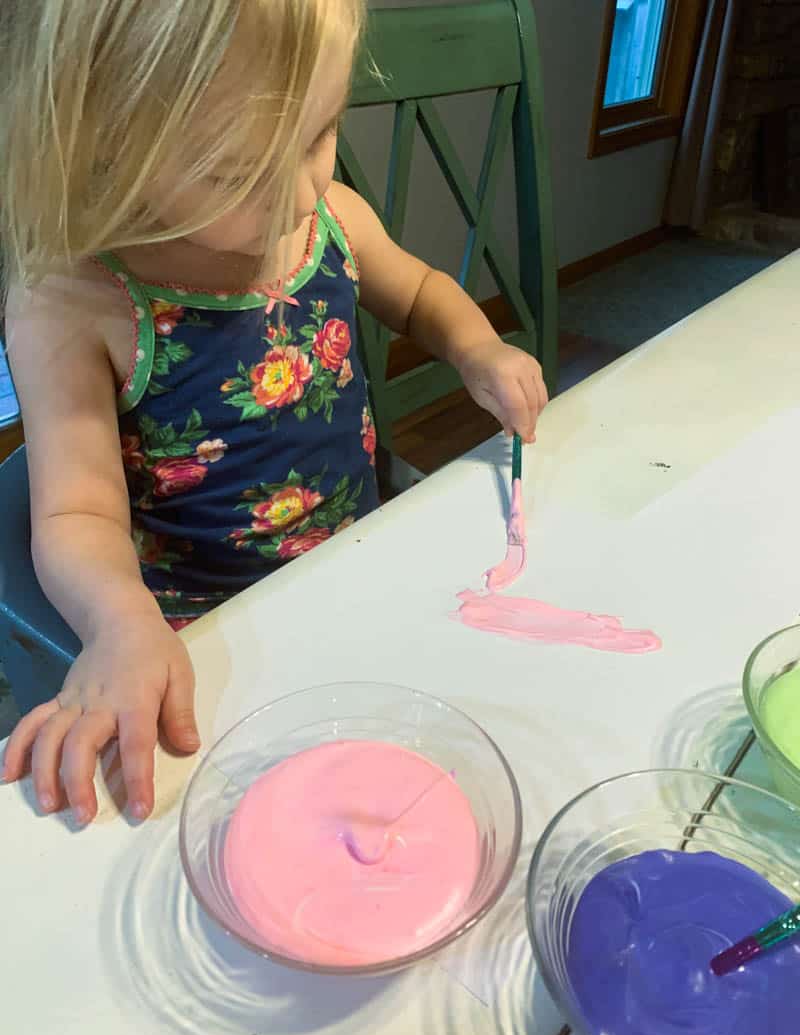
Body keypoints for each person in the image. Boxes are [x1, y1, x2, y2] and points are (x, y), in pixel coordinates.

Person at [0, 0, 547, 825]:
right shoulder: (74, 301)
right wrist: (118, 625)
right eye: (236, 172)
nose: (300, 194)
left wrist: (479, 350)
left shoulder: (333, 222)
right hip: (206, 642)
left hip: (360, 576)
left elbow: (425, 294)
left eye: (321, 133)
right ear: (105, 138)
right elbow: (77, 512)